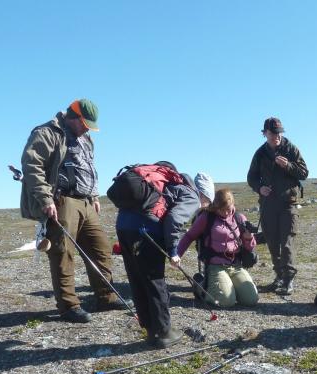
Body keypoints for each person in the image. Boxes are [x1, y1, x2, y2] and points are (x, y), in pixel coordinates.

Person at [20, 99, 129, 323]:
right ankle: (68, 305)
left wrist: (94, 195)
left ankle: (105, 296)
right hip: (62, 200)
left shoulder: (86, 138)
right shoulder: (47, 132)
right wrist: (45, 198)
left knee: (100, 248)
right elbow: (32, 165)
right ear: (75, 116)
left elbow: (89, 167)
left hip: (86, 202)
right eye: (85, 123)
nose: (87, 128)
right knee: (62, 253)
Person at [115, 165, 214, 348]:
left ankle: (150, 328)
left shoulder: (168, 186)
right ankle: (163, 332)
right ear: (204, 195)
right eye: (207, 202)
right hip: (147, 231)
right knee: (155, 280)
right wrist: (173, 251)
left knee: (137, 278)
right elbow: (174, 220)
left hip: (123, 226)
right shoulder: (191, 195)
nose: (204, 208)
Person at [247, 117, 309, 295]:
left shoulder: (291, 149)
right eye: (273, 133)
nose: (276, 136)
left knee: (287, 242)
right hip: (268, 204)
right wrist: (260, 188)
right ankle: (279, 277)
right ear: (264, 133)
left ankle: (288, 280)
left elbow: (304, 172)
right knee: (273, 242)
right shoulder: (260, 154)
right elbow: (251, 177)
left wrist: (288, 165)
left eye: (279, 133)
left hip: (288, 203)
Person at [177, 189, 259, 308]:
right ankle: (199, 287)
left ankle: (226, 287)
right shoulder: (206, 217)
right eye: (221, 209)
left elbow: (250, 247)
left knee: (251, 300)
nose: (226, 213)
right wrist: (177, 254)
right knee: (226, 301)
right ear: (216, 206)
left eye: (228, 209)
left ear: (233, 204)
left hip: (236, 265)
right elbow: (189, 236)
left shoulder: (239, 218)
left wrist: (248, 238)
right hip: (215, 267)